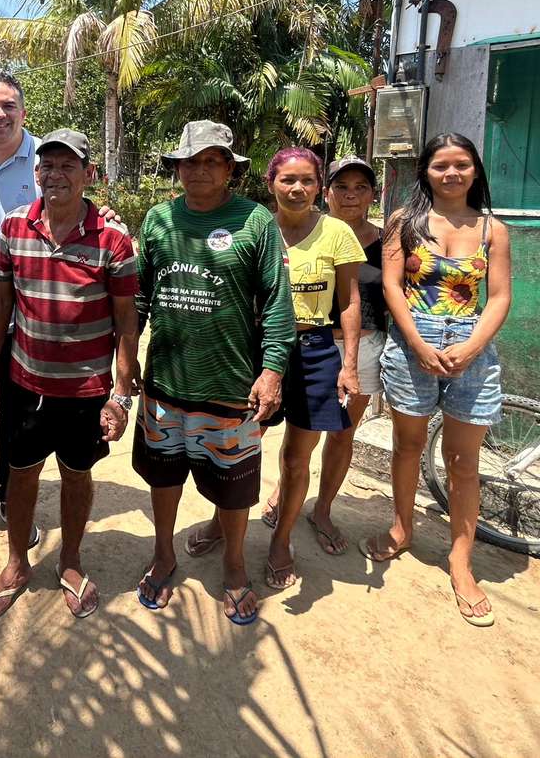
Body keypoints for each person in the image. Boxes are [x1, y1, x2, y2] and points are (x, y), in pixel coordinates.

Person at [0, 69, 120, 552]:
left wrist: (106, 212)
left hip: (33, 318)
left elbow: (74, 204)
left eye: (7, 105)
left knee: (17, 416)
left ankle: (12, 496)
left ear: (23, 112)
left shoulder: (46, 159)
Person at [133, 121, 295, 624]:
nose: (199, 169)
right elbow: (139, 297)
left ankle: (233, 564)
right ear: (177, 168)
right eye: (190, 161)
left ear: (230, 169)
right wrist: (122, 364)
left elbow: (276, 303)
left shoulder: (254, 221)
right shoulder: (159, 219)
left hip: (230, 387)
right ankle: (164, 553)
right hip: (165, 382)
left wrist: (271, 372)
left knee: (234, 487)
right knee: (164, 479)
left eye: (211, 161)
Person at [0, 129, 138, 621]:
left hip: (86, 389)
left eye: (68, 165)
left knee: (76, 475)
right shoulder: (13, 227)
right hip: (25, 383)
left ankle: (69, 561)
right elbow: (0, 302)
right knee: (20, 475)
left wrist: (121, 394)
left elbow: (126, 318)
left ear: (89, 174)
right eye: (47, 165)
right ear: (35, 173)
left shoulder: (114, 239)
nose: (55, 174)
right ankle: (17, 563)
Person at [361, 134, 510, 627]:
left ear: (474, 170)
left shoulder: (493, 230)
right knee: (407, 446)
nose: (452, 174)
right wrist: (420, 345)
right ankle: (402, 528)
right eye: (441, 165)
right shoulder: (404, 224)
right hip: (411, 346)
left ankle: (460, 560)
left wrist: (469, 349)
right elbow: (390, 286)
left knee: (464, 462)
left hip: (473, 348)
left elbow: (499, 299)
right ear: (425, 171)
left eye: (461, 165)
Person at [261, 157, 384, 554]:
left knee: (330, 437)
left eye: (360, 187)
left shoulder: (382, 238)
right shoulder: (261, 227)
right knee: (261, 438)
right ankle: (254, 507)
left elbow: (359, 297)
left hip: (340, 349)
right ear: (327, 190)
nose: (350, 194)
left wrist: (349, 363)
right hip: (280, 345)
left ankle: (316, 514)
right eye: (341, 186)